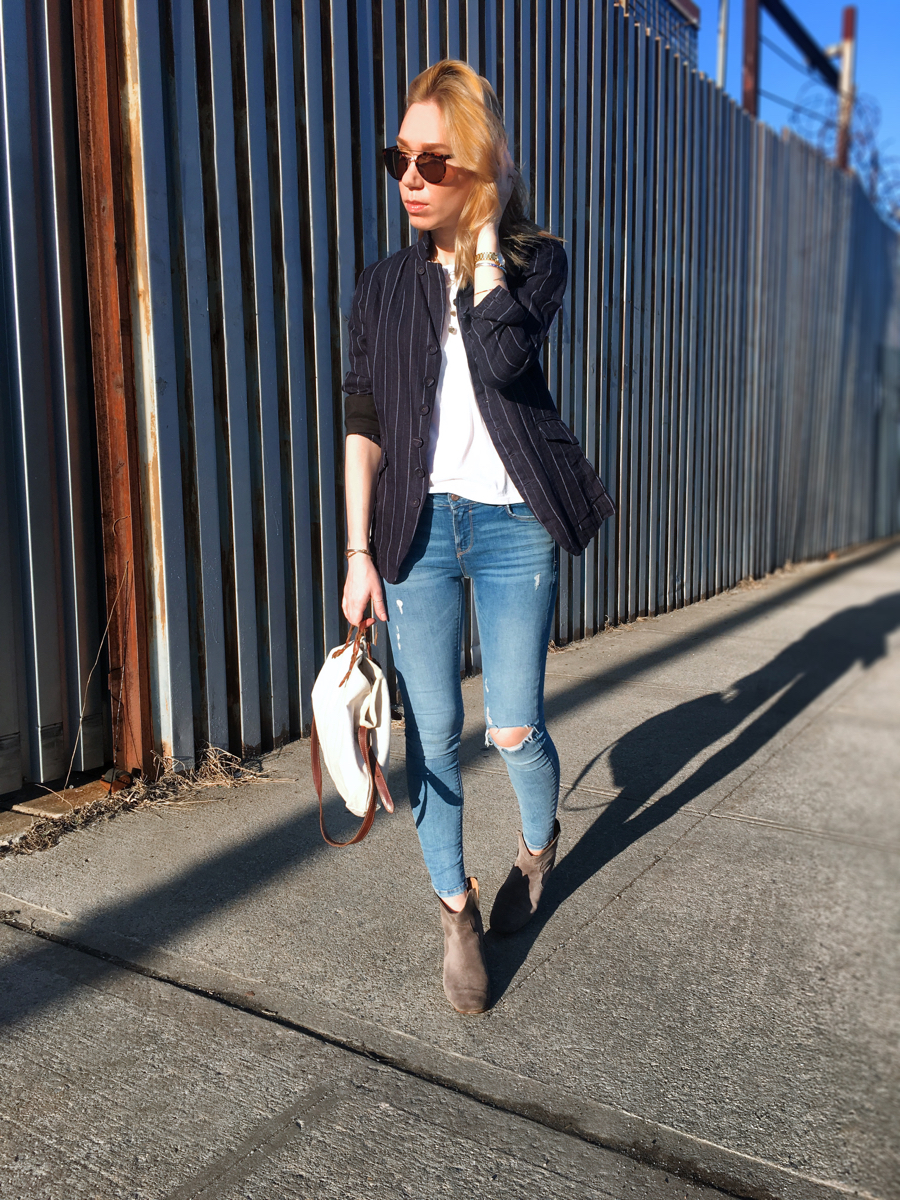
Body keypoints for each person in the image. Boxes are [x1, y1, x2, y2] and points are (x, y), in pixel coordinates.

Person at [342, 60, 614, 1014]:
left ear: (480, 168)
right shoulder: (380, 288)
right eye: (398, 159)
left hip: (510, 530)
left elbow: (500, 360)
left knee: (511, 725)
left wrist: (486, 239)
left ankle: (537, 849)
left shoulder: (538, 260)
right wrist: (357, 554)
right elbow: (364, 421)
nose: (409, 179)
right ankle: (453, 909)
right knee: (436, 735)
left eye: (433, 161)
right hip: (414, 532)